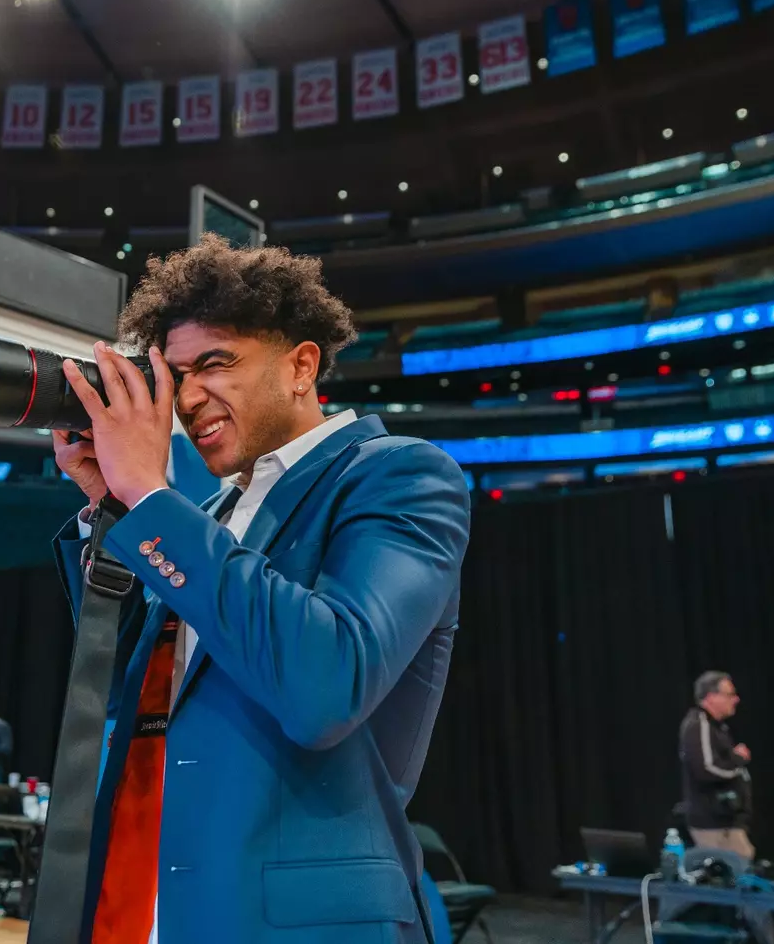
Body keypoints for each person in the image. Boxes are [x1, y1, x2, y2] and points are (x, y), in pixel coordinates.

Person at [50, 237, 471, 944]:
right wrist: (109, 505)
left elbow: (325, 687)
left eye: (215, 363)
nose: (187, 400)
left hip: (300, 924)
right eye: (176, 376)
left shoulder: (401, 475)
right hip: (158, 904)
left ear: (302, 365)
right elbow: (129, 693)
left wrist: (152, 499)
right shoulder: (204, 517)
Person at [677, 670, 754, 858]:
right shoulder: (698, 725)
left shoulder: (718, 727)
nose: (735, 700)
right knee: (736, 872)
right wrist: (739, 760)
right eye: (730, 694)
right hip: (713, 825)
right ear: (711, 697)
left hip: (727, 821)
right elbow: (706, 769)